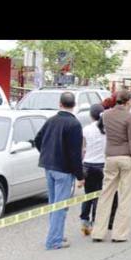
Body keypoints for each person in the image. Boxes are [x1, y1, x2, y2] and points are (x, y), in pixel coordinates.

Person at [91, 90, 131, 242]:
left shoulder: (106, 115)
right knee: (125, 197)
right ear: (129, 101)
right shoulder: (130, 117)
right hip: (126, 158)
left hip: (110, 157)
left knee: (106, 195)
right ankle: (119, 234)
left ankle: (98, 232)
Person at [33, 92, 84, 250]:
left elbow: (37, 139)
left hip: (49, 166)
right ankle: (54, 240)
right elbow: (75, 153)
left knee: (53, 203)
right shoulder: (74, 124)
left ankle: (56, 234)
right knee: (60, 206)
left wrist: (46, 153)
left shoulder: (51, 121)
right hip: (64, 169)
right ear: (74, 105)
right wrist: (80, 175)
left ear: (60, 104)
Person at [78, 103, 118, 236]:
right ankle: (96, 222)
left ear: (91, 115)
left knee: (88, 195)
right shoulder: (108, 129)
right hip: (102, 166)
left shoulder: (86, 129)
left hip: (88, 166)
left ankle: (84, 221)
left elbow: (82, 149)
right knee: (100, 196)